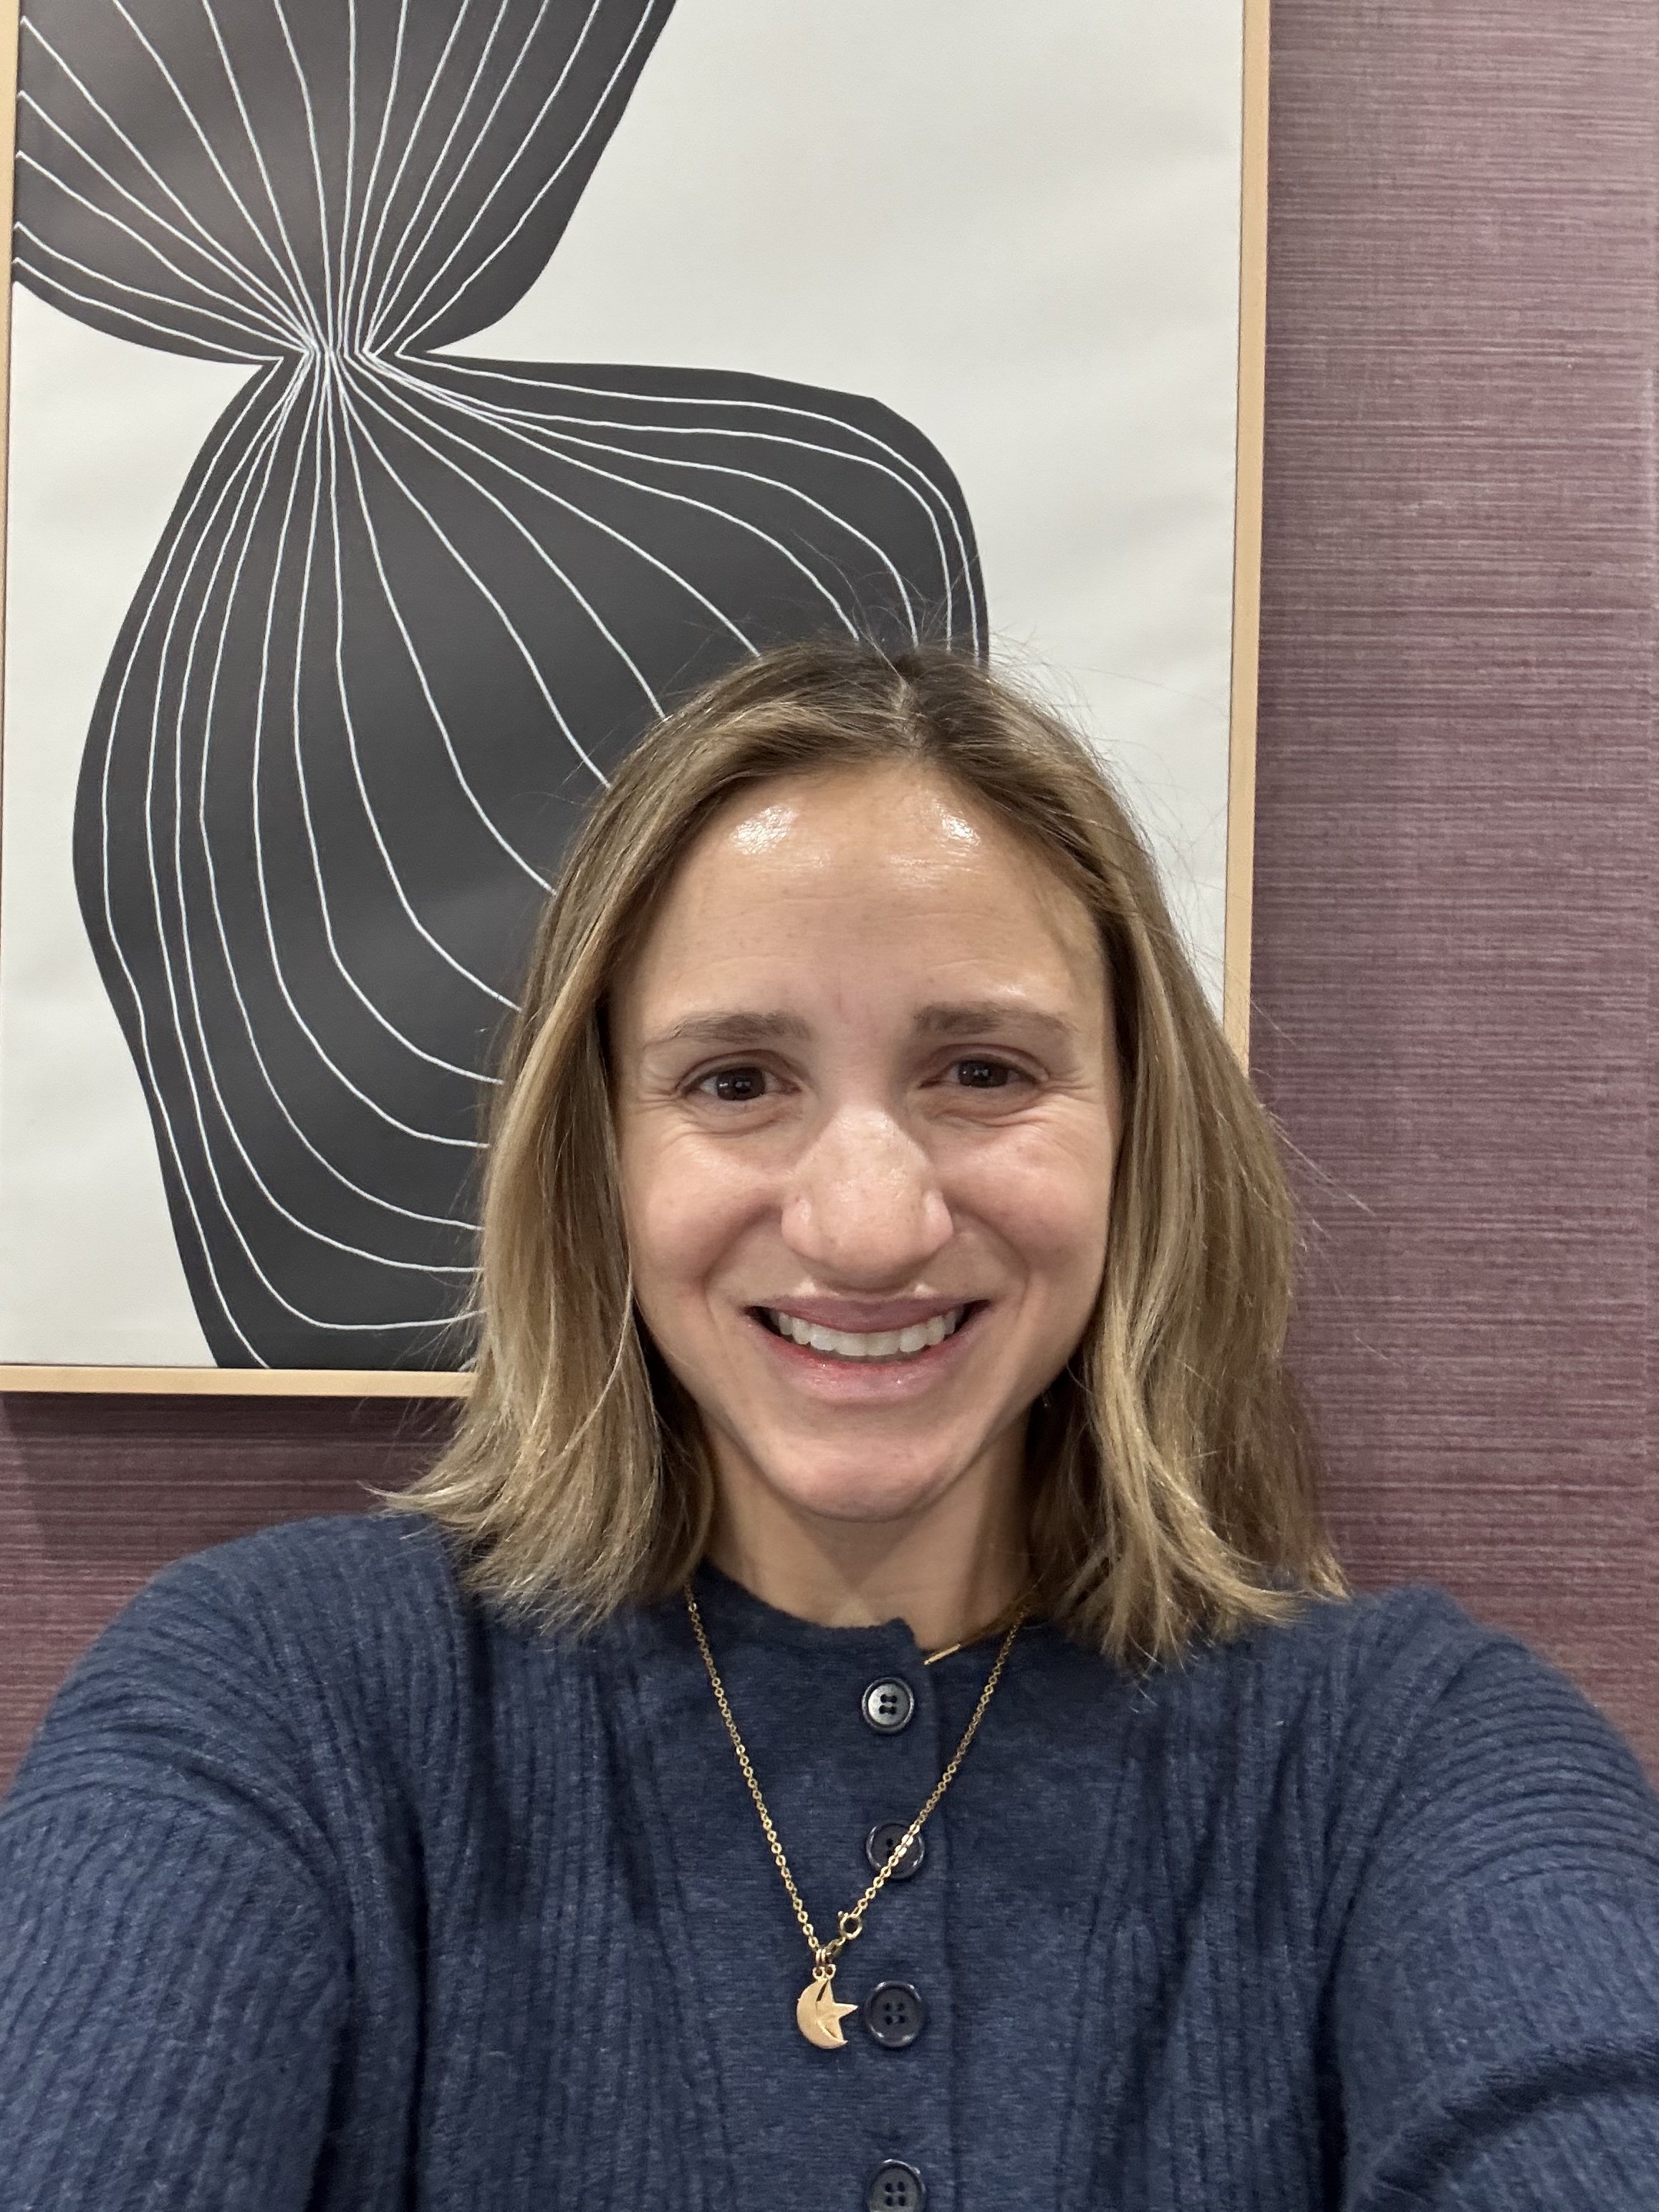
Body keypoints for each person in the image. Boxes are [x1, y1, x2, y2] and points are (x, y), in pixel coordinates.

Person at [1, 638, 1657, 2212]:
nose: (867, 1226)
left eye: (986, 1070)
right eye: (735, 1080)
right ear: (600, 1154)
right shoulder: (271, 1709)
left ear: (1142, 1136)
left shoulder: (1413, 1759)